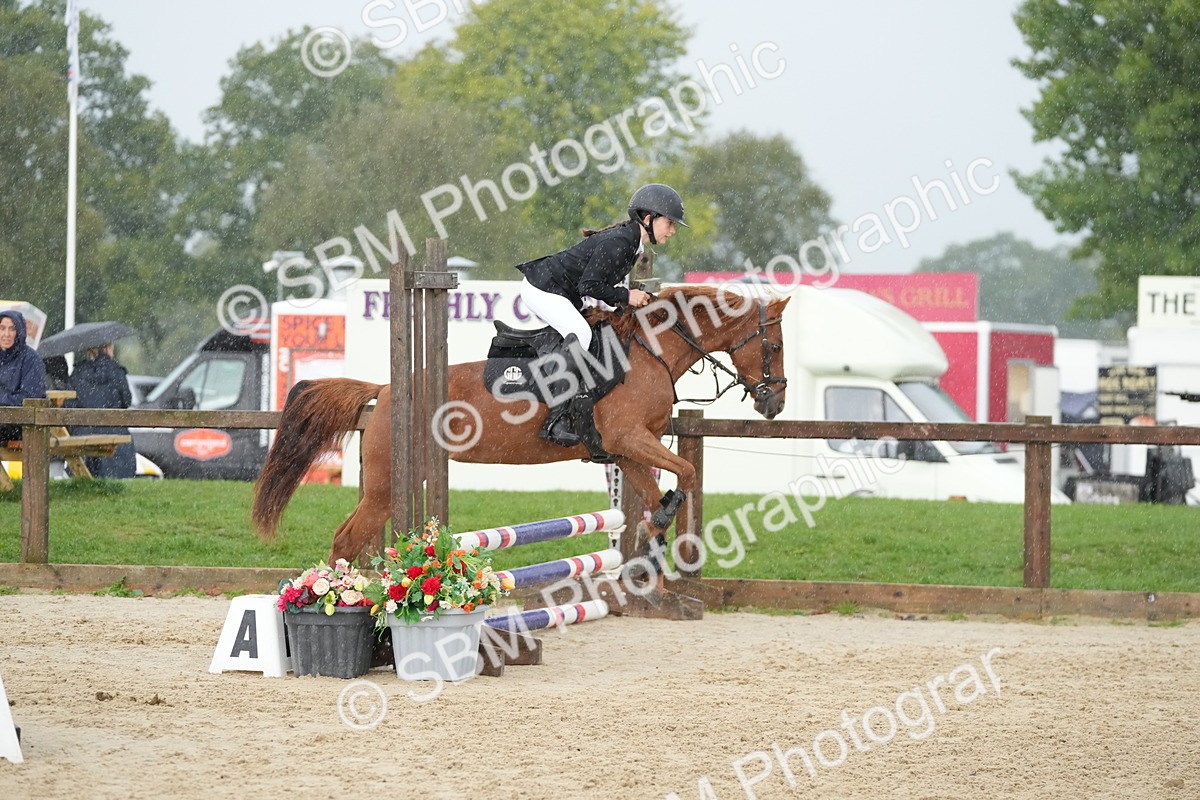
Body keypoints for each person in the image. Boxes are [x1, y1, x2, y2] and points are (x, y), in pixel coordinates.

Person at [515, 183, 686, 460]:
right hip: (542, 287)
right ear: (648, 219)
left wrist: (627, 300)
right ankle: (556, 420)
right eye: (669, 222)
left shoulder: (631, 243)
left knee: (595, 334)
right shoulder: (621, 242)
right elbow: (589, 285)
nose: (673, 230)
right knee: (581, 334)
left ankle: (582, 412)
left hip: (562, 290)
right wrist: (627, 296)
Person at [69, 342, 136, 478]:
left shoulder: (77, 373)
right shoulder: (117, 372)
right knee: (116, 479)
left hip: (84, 434)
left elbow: (70, 404)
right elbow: (126, 401)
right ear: (109, 348)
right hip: (115, 433)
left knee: (86, 478)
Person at [0, 310, 48, 443]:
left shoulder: (31, 359)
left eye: (12, 329)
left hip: (23, 425)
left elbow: (30, 397)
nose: (6, 334)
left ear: (19, 332)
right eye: (2, 328)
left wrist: (3, 399)